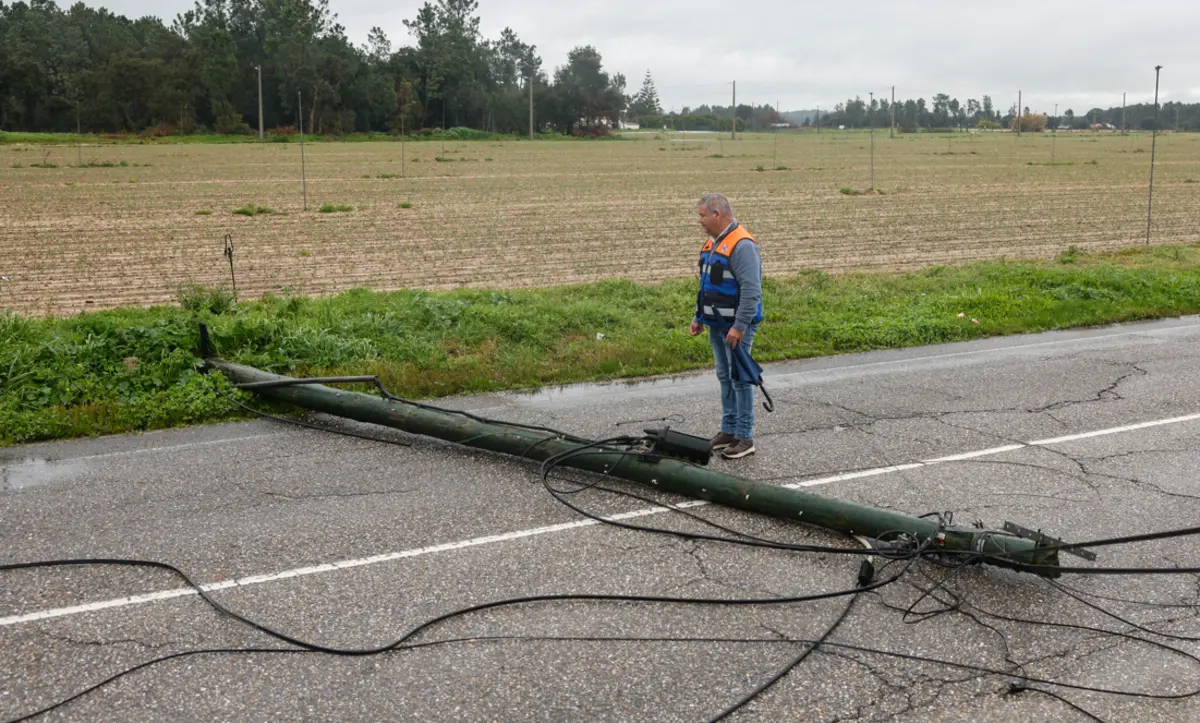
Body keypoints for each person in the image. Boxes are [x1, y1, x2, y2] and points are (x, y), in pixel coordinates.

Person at [689, 193, 763, 460]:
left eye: (702, 215)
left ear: (717, 214)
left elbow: (752, 291)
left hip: (736, 328)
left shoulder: (742, 245)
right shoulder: (712, 244)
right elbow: (706, 286)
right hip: (716, 324)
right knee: (724, 376)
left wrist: (740, 326)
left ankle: (745, 437)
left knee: (740, 379)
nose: (700, 221)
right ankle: (728, 431)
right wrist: (699, 316)